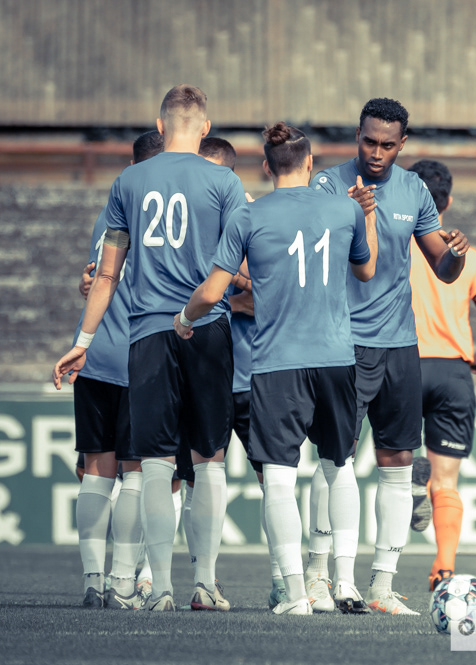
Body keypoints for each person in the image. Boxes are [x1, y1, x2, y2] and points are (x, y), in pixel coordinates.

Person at [53, 85, 250, 613]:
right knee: (208, 460)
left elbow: (107, 275)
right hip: (206, 327)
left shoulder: (129, 181)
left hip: (147, 333)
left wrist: (82, 342)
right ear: (205, 128)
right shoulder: (225, 181)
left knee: (156, 462)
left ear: (160, 127)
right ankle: (204, 584)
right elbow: (242, 268)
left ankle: (158, 587)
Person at [173, 121, 377, 616]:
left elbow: (212, 291)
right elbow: (366, 269)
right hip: (336, 359)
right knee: (339, 468)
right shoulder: (345, 208)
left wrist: (184, 319)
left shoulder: (248, 215)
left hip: (277, 365)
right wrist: (367, 216)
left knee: (280, 479)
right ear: (310, 163)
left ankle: (295, 594)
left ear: (266, 166)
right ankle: (345, 583)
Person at [307, 98, 469, 615]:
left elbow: (442, 269)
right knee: (335, 459)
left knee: (398, 463)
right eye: (368, 141)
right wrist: (355, 216)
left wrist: (455, 255)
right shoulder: (327, 185)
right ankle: (320, 577)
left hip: (400, 344)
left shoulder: (414, 189)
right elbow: (318, 255)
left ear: (402, 144)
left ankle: (381, 586)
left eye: (387, 145)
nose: (376, 153)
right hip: (341, 342)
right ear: (357, 135)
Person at [194, 135, 290, 610]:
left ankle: (283, 579)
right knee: (195, 474)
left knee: (273, 480)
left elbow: (269, 294)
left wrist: (219, 298)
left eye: (212, 173)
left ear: (230, 176)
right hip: (206, 370)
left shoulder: (253, 219)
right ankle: (199, 582)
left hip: (254, 375)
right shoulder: (191, 221)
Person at [69, 131, 162, 609]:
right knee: (135, 475)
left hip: (95, 354)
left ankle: (92, 578)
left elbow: (99, 277)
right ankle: (123, 580)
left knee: (96, 471)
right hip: (140, 357)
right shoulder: (159, 215)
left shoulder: (110, 211)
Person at [405, 160, 476, 591]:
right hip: (452, 371)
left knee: (394, 463)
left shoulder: (395, 246)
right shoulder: (469, 255)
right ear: (447, 202)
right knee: (447, 482)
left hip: (403, 364)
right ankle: (443, 568)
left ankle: (409, 486)